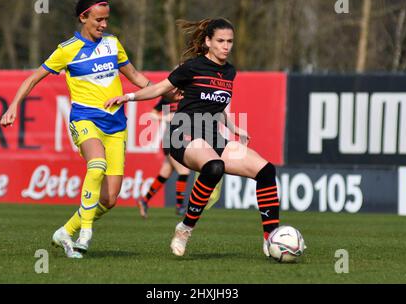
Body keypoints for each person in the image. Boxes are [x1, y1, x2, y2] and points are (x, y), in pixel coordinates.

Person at [0, 0, 177, 259]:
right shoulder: (66, 50)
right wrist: (13, 106)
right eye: (98, 20)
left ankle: (65, 231)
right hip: (85, 119)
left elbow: (137, 78)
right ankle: (85, 234)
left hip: (116, 125)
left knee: (110, 199)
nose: (104, 25)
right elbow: (32, 79)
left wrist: (166, 90)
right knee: (97, 165)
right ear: (83, 17)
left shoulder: (113, 44)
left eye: (106, 20)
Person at [104, 18, 280, 257]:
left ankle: (271, 237)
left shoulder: (229, 71)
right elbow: (158, 89)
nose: (226, 46)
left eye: (229, 41)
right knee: (214, 167)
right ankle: (185, 228)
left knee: (266, 171)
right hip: (182, 133)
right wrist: (129, 97)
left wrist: (234, 127)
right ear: (208, 41)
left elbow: (217, 106)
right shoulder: (192, 67)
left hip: (213, 135)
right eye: (220, 41)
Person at [137, 97, 191, 218]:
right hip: (171, 140)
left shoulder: (189, 94)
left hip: (182, 139)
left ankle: (144, 201)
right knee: (184, 171)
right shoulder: (168, 97)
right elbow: (152, 114)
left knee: (164, 174)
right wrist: (165, 118)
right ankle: (180, 206)